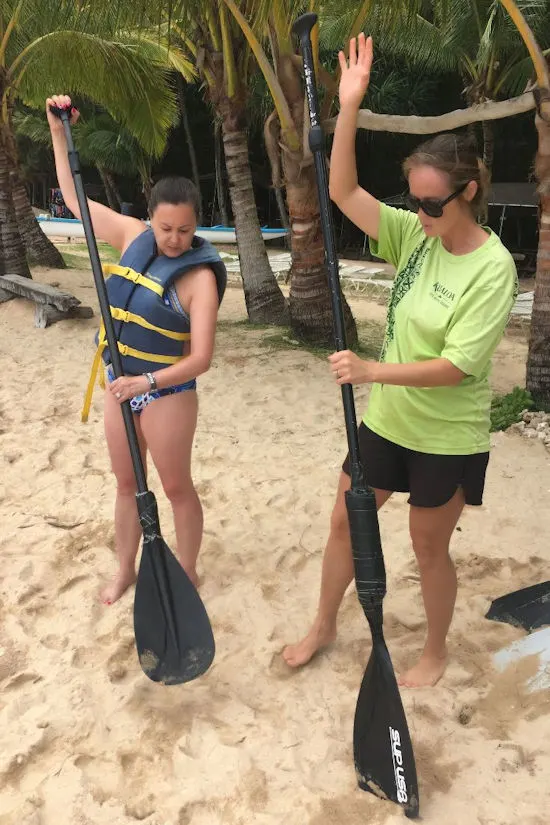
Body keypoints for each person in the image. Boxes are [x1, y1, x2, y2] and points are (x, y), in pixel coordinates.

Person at [283, 35, 518, 687]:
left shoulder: (492, 268)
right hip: (387, 421)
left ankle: (436, 651)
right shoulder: (415, 233)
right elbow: (341, 189)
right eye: (414, 201)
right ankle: (324, 623)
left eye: (432, 203)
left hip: (446, 435)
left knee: (426, 546)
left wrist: (370, 370)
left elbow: (457, 367)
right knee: (344, 519)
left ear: (469, 190)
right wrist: (349, 105)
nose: (419, 213)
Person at [46, 95, 227, 605]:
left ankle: (187, 571)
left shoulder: (198, 280)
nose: (173, 239)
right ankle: (124, 569)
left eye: (185, 230)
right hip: (119, 386)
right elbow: (72, 196)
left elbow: (201, 359)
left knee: (174, 488)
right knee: (127, 484)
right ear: (150, 219)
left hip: (165, 391)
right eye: (165, 228)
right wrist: (60, 134)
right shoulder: (131, 237)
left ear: (198, 226)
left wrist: (145, 383)